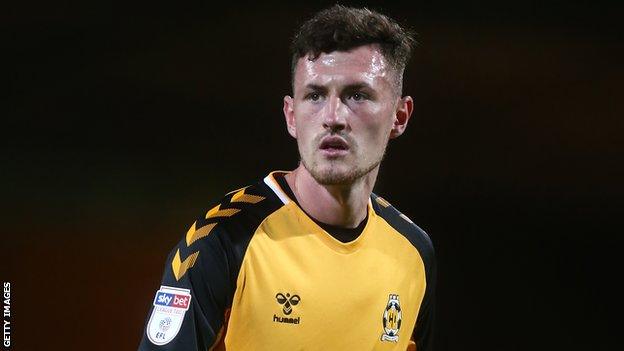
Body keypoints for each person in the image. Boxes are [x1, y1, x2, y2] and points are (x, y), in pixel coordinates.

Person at [138, 5, 435, 351]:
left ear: (400, 115)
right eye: (314, 95)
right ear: (291, 116)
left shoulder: (413, 252)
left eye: (357, 95)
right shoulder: (224, 240)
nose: (333, 117)